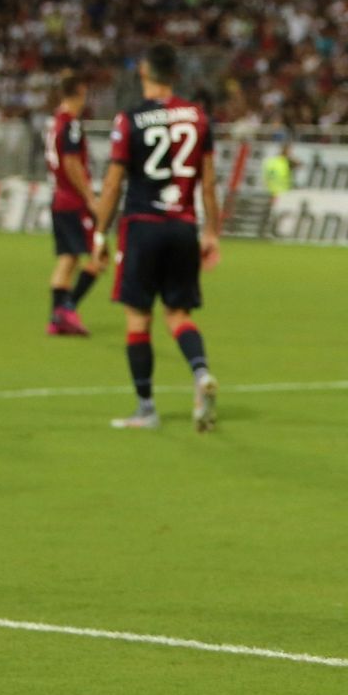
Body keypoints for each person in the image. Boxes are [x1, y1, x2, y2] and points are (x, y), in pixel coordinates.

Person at [92, 44, 222, 432]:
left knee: (138, 319)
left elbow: (114, 182)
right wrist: (212, 231)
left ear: (145, 70)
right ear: (176, 75)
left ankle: (146, 407)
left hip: (142, 224)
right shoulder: (198, 117)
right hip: (183, 226)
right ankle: (200, 375)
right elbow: (210, 182)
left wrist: (99, 232)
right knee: (178, 314)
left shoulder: (129, 118)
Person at [45, 71, 103, 336]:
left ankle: (56, 320)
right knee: (99, 256)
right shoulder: (71, 124)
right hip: (73, 201)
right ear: (80, 90)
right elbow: (71, 163)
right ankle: (66, 310)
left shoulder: (54, 122)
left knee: (67, 259)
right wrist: (90, 198)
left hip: (58, 198)